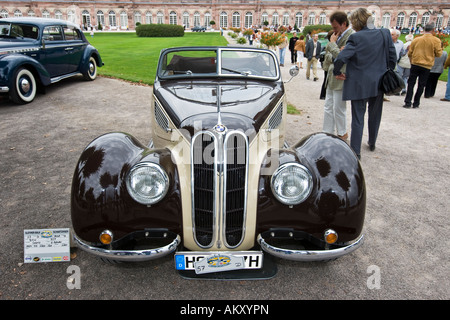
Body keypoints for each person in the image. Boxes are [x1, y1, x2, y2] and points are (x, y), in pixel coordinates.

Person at [333, 8, 397, 159]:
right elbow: (392, 57)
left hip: (359, 83)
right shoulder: (384, 33)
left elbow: (341, 58)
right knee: (375, 114)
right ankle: (372, 142)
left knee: (358, 117)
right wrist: (387, 71)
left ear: (356, 22)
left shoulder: (356, 38)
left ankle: (356, 151)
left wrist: (337, 72)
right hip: (379, 81)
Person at [322, 11, 354, 140]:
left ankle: (342, 133)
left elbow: (342, 57)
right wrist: (335, 51)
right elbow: (329, 56)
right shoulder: (338, 36)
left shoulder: (351, 36)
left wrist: (332, 46)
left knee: (339, 108)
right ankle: (327, 131)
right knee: (328, 106)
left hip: (341, 75)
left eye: (335, 27)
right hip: (332, 75)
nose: (333, 30)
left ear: (344, 24)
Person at [403, 23, 443, 108]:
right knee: (421, 85)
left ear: (424, 30)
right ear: (433, 30)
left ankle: (408, 102)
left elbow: (410, 52)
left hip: (415, 63)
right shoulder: (436, 40)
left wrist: (412, 60)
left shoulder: (416, 40)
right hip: (426, 65)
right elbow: (439, 54)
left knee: (411, 83)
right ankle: (416, 103)